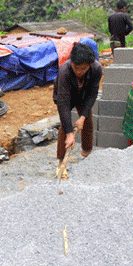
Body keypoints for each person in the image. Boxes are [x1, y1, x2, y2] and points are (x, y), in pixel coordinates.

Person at [53, 42, 103, 179]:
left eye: (84, 68)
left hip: (84, 94)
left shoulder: (97, 69)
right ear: (72, 62)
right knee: (65, 125)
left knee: (87, 120)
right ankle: (61, 162)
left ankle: (87, 152)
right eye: (77, 67)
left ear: (90, 65)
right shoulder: (65, 70)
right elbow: (63, 103)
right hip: (65, 96)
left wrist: (82, 117)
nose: (79, 71)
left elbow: (93, 93)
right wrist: (70, 133)